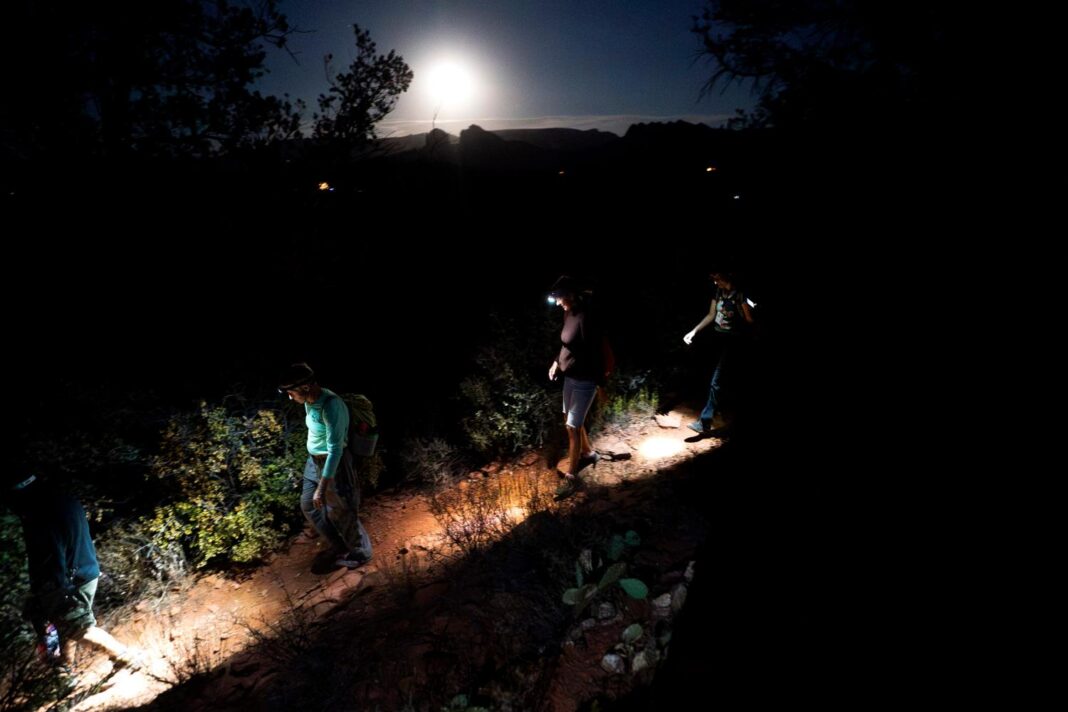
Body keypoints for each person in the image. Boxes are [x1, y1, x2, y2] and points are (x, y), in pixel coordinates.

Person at [6, 473, 142, 673]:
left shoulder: (40, 515)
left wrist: (51, 590)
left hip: (68, 579)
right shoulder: (63, 499)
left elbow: (51, 557)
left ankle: (124, 657)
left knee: (77, 626)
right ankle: (63, 671)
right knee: (63, 624)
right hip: (85, 569)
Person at [278, 363, 373, 569]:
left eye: (291, 392)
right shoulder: (309, 402)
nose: (290, 397)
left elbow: (335, 450)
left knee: (341, 510)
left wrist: (322, 487)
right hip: (314, 461)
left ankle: (361, 553)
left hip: (333, 464)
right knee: (308, 505)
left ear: (305, 387)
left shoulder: (331, 406)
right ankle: (340, 546)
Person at [547, 276, 614, 482]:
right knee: (568, 417)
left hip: (586, 379)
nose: (557, 303)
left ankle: (571, 475)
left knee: (572, 427)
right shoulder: (569, 313)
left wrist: (601, 386)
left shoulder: (586, 317)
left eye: (559, 298)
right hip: (570, 376)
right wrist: (556, 362)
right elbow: (567, 343)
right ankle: (588, 453)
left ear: (570, 296)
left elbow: (595, 353)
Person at [683, 270, 754, 434]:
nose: (715, 282)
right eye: (714, 279)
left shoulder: (739, 296)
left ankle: (705, 422)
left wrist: (744, 309)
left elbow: (749, 320)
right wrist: (693, 331)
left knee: (717, 380)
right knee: (716, 379)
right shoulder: (718, 292)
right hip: (717, 340)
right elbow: (711, 314)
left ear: (726, 277)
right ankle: (713, 416)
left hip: (732, 342)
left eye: (717, 279)